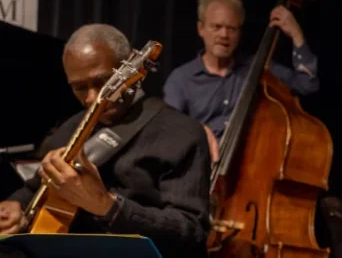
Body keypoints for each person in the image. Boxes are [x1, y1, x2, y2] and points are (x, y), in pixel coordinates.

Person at [0, 24, 211, 258]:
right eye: (79, 87)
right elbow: (34, 187)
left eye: (102, 82)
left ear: (129, 65)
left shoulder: (182, 133)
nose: (93, 98)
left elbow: (192, 232)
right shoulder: (69, 129)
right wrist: (14, 206)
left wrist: (107, 206)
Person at [163, 0, 319, 163]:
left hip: (253, 170)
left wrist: (297, 36)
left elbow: (307, 85)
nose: (224, 35)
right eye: (217, 27)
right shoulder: (181, 79)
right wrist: (197, 130)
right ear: (201, 29)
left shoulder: (260, 69)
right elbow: (168, 128)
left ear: (239, 32)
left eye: (231, 28)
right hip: (201, 171)